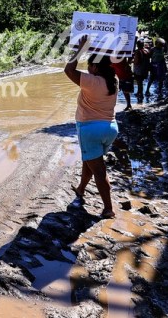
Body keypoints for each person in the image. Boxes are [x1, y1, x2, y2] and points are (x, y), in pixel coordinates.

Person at [64, 35, 119, 220]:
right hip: (110, 128)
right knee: (91, 159)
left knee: (99, 170)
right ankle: (80, 189)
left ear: (95, 67)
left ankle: (108, 209)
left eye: (89, 65)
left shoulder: (92, 81)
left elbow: (69, 69)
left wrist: (80, 49)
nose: (87, 69)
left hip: (90, 129)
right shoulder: (114, 81)